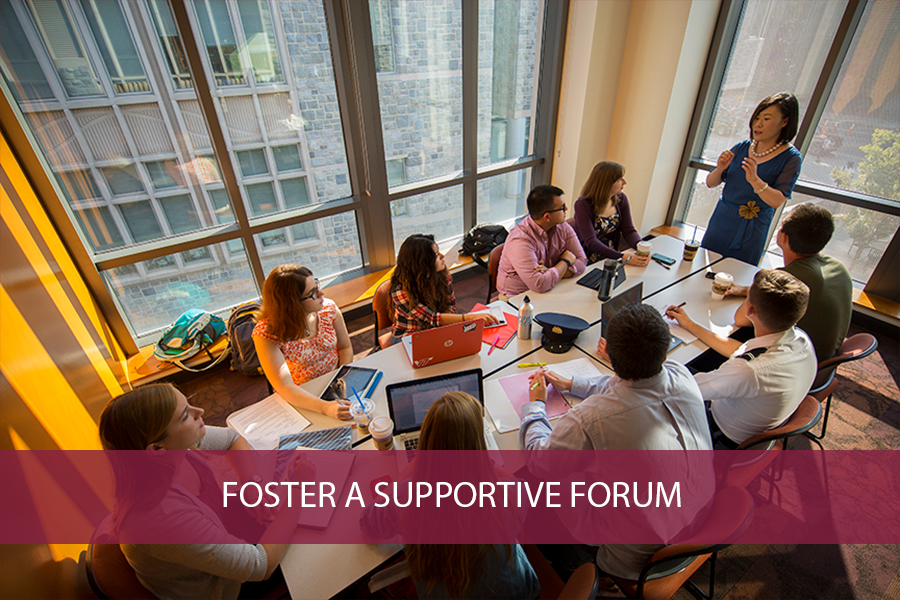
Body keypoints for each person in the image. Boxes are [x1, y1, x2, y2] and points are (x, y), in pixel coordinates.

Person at [521, 304, 713, 580]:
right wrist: (573, 384)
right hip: (699, 523)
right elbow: (629, 385)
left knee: (537, 484)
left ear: (607, 353)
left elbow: (540, 461)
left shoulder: (593, 417)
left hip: (640, 556)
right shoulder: (681, 374)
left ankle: (586, 569)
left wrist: (536, 405)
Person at [98, 384, 294, 600]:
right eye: (185, 416)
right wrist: (299, 498)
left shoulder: (172, 448)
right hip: (224, 588)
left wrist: (251, 485)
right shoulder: (161, 517)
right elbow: (260, 566)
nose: (199, 411)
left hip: (225, 527)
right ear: (156, 449)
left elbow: (231, 439)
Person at [362, 392, 540, 599]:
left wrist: (415, 467)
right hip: (515, 592)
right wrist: (481, 462)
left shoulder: (408, 494)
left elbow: (368, 523)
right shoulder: (512, 491)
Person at [666, 269, 817, 447]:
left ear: (750, 310)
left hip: (720, 437)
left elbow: (682, 390)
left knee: (662, 379)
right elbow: (739, 350)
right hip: (757, 428)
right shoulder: (801, 340)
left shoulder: (748, 371)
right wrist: (690, 325)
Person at [727, 202, 852, 362]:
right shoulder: (838, 267)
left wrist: (755, 287)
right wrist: (745, 290)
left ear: (783, 236)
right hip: (820, 360)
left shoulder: (785, 276)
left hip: (790, 364)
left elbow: (741, 318)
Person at [701, 92, 803, 265]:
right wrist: (720, 169)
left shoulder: (790, 157)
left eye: (766, 119)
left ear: (785, 122)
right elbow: (711, 182)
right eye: (757, 118)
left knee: (739, 275)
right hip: (721, 219)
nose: (758, 124)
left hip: (752, 228)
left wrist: (755, 180)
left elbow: (777, 200)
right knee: (705, 267)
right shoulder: (742, 147)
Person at [253, 264, 354, 420]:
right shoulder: (266, 334)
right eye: (312, 293)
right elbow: (285, 387)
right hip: (301, 395)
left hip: (335, 382)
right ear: (292, 304)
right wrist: (325, 407)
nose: (321, 293)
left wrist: (340, 380)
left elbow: (345, 347)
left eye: (316, 285)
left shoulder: (328, 309)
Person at [390, 234, 497, 340]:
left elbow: (450, 305)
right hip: (410, 335)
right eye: (436, 254)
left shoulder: (442, 275)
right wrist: (470, 317)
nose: (442, 256)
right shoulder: (401, 290)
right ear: (423, 263)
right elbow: (431, 317)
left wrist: (446, 330)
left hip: (437, 327)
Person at [497, 185, 587, 297]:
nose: (567, 209)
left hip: (552, 288)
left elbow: (582, 261)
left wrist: (551, 271)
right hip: (518, 298)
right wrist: (565, 261)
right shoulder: (520, 240)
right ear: (547, 217)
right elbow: (540, 284)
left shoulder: (563, 227)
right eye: (562, 207)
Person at [571, 161, 649, 265]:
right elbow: (591, 241)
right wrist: (622, 257)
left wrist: (641, 247)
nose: (624, 182)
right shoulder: (583, 205)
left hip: (612, 256)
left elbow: (629, 230)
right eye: (619, 179)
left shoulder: (621, 199)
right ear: (606, 183)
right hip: (587, 259)